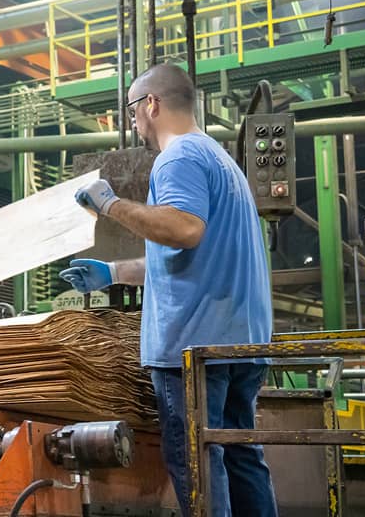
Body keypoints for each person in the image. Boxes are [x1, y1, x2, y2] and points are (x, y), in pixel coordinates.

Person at [60, 63, 277, 517]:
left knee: (198, 459)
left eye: (133, 109)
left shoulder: (177, 158)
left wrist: (111, 204)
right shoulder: (221, 161)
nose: (134, 120)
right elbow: (186, 254)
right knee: (240, 455)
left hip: (195, 347)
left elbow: (183, 230)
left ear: (152, 104)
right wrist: (114, 271)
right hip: (241, 343)